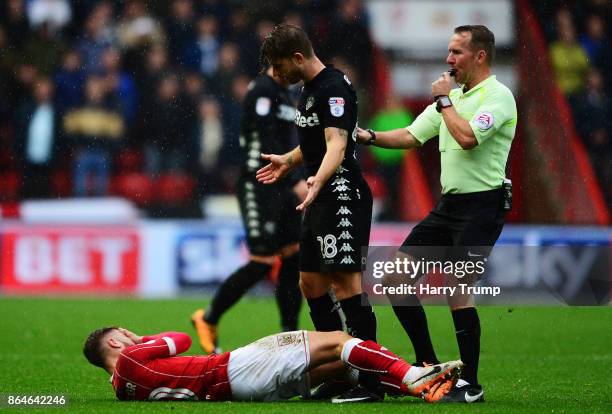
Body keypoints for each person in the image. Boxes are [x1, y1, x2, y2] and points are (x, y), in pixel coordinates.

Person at [355, 25, 517, 403]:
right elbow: (412, 135)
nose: (448, 59)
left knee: (457, 289)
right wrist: (370, 136)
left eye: (457, 52)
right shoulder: (454, 97)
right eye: (448, 51)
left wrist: (444, 102)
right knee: (395, 278)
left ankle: (470, 385)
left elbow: (467, 137)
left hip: (482, 206)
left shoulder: (498, 97)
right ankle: (429, 365)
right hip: (449, 206)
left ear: (480, 56)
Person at [257, 24, 378, 402]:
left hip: (340, 193)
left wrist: (316, 182)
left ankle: (371, 380)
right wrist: (290, 161)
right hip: (320, 192)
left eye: (278, 68)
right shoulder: (309, 90)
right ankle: (342, 373)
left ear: (298, 58)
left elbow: (337, 145)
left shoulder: (333, 87)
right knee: (309, 283)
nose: (275, 76)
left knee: (345, 285)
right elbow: (314, 144)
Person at [191, 66, 305, 354]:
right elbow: (266, 142)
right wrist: (293, 178)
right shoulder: (262, 90)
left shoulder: (284, 94)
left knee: (293, 255)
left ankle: (289, 335)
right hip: (260, 183)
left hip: (284, 183)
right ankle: (208, 318)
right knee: (263, 261)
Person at [83, 326, 462, 402]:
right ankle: (413, 375)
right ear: (115, 343)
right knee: (339, 340)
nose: (135, 338)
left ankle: (426, 390)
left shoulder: (121, 390)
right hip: (234, 367)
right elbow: (181, 339)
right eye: (128, 334)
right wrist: (146, 341)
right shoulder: (131, 356)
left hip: (237, 392)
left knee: (338, 367)